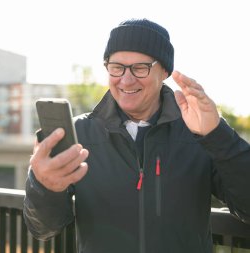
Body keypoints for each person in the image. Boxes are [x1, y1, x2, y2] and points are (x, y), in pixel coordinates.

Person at [23, 18, 250, 253]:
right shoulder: (78, 134)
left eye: (140, 67)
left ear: (164, 71)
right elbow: (43, 229)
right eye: (116, 67)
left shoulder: (200, 133)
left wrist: (218, 134)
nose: (126, 79)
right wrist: (44, 186)